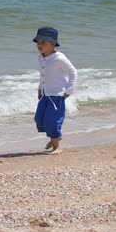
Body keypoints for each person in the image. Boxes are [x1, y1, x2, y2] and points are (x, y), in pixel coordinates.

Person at [32, 26, 77, 155]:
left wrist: (69, 90)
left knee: (52, 121)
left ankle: (57, 147)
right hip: (46, 94)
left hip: (57, 95)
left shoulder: (59, 58)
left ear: (52, 44)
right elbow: (43, 74)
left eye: (43, 42)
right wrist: (40, 88)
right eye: (38, 42)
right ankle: (54, 137)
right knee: (39, 119)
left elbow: (73, 72)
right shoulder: (41, 57)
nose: (39, 45)